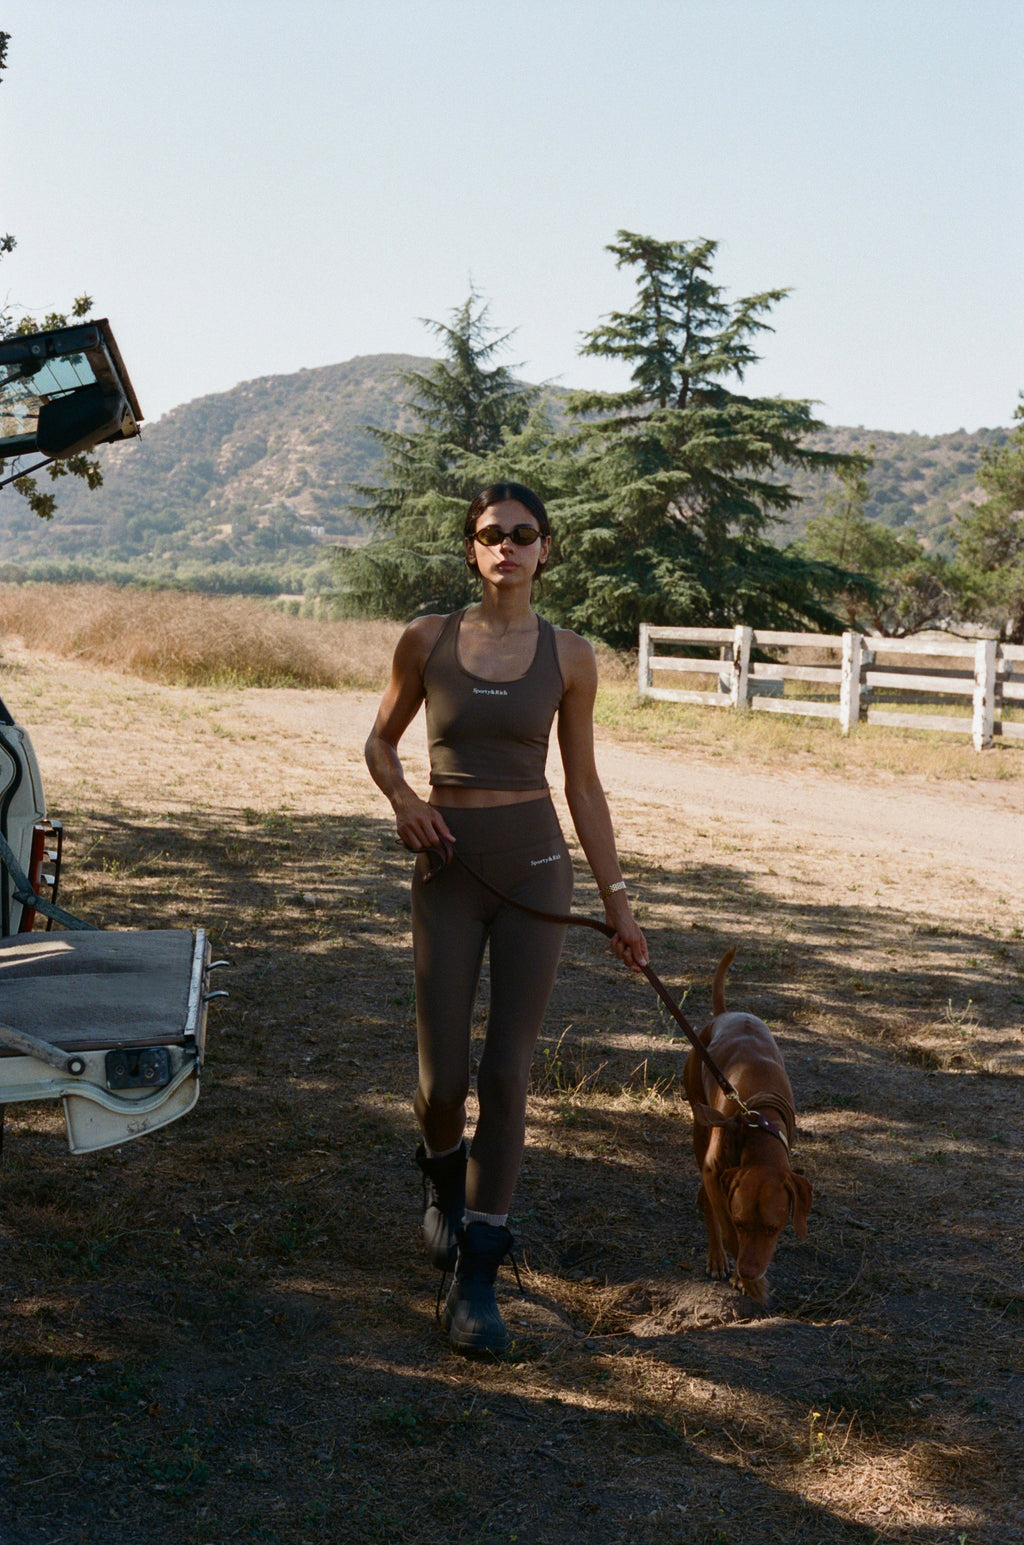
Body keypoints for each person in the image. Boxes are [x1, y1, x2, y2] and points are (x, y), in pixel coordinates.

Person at [365, 481, 648, 1355]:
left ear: (545, 549)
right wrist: (406, 799)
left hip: (536, 869)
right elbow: (379, 742)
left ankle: (478, 1273)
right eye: (492, 534)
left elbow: (584, 785)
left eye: (525, 534)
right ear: (471, 549)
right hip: (447, 871)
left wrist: (617, 901)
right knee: (442, 1079)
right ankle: (441, 1189)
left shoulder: (571, 656)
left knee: (507, 1073)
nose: (508, 547)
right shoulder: (426, 640)